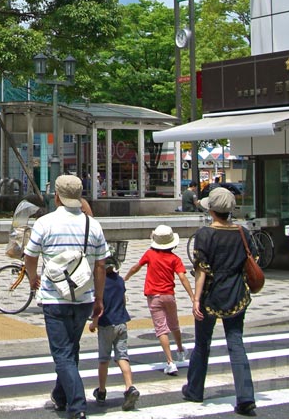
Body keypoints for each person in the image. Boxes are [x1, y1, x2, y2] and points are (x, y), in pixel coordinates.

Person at [23, 174, 108, 419]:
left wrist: (32, 278)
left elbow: (30, 256)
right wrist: (99, 298)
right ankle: (61, 396)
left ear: (57, 195)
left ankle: (77, 405)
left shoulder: (45, 223)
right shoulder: (93, 225)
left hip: (54, 297)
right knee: (71, 348)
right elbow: (101, 266)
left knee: (62, 353)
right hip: (84, 297)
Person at [182, 188, 257, 417]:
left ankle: (195, 389)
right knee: (236, 342)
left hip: (210, 295)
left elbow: (201, 269)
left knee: (202, 343)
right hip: (236, 293)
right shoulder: (242, 232)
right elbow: (252, 260)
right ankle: (246, 396)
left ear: (211, 210)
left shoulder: (204, 235)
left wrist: (195, 298)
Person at [125, 225, 195, 376]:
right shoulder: (175, 259)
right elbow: (183, 277)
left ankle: (170, 362)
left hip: (153, 297)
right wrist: (192, 296)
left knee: (161, 329)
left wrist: (125, 278)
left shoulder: (150, 254)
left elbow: (135, 267)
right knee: (174, 324)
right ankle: (181, 349)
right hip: (169, 296)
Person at [88, 250, 140, 411]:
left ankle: (102, 391)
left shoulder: (100, 284)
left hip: (106, 325)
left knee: (104, 359)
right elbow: (124, 301)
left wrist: (93, 323)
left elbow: (99, 307)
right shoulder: (119, 281)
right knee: (122, 356)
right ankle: (130, 387)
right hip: (122, 322)